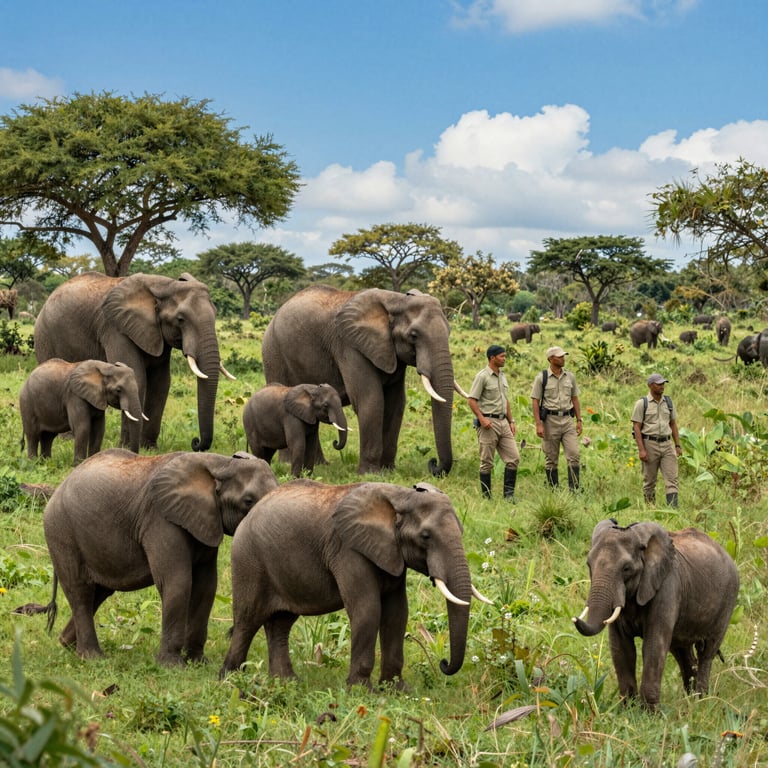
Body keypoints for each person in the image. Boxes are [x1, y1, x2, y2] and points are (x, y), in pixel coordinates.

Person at [467, 344, 519, 501]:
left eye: (504, 356)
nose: (505, 359)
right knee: (486, 462)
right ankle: (486, 497)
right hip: (488, 423)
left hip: (503, 422)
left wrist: (511, 420)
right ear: (492, 358)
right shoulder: (482, 376)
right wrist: (482, 419)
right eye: (502, 356)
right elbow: (471, 400)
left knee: (514, 458)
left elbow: (505, 400)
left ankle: (508, 496)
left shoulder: (502, 376)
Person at [531, 346, 582, 490]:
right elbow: (535, 401)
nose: (563, 358)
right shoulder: (542, 377)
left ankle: (575, 490)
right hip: (550, 421)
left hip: (567, 420)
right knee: (551, 458)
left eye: (563, 356)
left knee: (574, 454)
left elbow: (575, 398)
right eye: (559, 356)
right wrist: (538, 424)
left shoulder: (570, 376)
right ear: (551, 359)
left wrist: (579, 420)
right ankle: (553, 489)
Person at [631, 373, 682, 507]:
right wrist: (641, 449)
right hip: (650, 444)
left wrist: (677, 445)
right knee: (649, 480)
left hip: (667, 444)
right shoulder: (642, 404)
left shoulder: (669, 403)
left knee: (672, 479)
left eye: (663, 383)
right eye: (658, 384)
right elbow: (636, 427)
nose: (662, 386)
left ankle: (672, 510)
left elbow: (673, 424)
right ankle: (650, 508)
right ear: (650, 385)